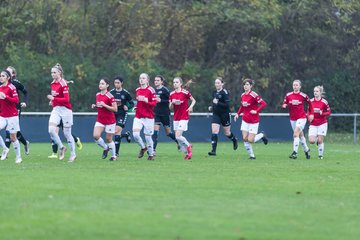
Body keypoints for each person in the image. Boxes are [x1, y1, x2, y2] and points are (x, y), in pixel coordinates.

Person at [47, 63, 76, 162]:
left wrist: (54, 98)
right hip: (56, 110)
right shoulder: (52, 83)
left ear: (59, 73)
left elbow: (66, 100)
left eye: (54, 72)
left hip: (65, 110)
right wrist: (52, 101)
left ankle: (73, 154)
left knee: (67, 134)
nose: (52, 74)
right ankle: (62, 147)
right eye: (51, 72)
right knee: (51, 130)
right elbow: (55, 97)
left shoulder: (63, 83)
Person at [234, 78, 268, 160]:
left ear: (251, 86)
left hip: (254, 121)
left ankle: (262, 135)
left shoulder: (254, 95)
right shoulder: (242, 95)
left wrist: (256, 111)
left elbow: (263, 104)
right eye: (244, 84)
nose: (245, 86)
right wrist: (237, 114)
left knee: (250, 140)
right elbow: (242, 106)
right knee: (245, 139)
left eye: (247, 84)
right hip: (245, 120)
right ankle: (252, 156)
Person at [282, 79, 313, 159]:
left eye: (296, 85)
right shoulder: (288, 95)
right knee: (300, 135)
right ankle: (307, 150)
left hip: (301, 118)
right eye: (294, 85)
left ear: (300, 86)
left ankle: (295, 153)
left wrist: (311, 114)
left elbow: (310, 104)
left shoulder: (303, 95)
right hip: (293, 119)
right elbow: (284, 103)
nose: (295, 86)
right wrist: (284, 105)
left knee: (296, 133)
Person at [208, 77, 238, 156]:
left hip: (225, 115)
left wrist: (217, 103)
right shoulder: (214, 92)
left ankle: (234, 140)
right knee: (214, 131)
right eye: (216, 83)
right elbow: (214, 103)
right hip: (216, 114)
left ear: (222, 84)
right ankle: (213, 151)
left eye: (218, 83)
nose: (217, 84)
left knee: (227, 133)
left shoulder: (225, 92)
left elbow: (227, 105)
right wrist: (212, 107)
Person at [169, 77, 196, 160]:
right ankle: (187, 152)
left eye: (177, 82)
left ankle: (188, 146)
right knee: (178, 137)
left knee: (177, 136)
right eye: (174, 82)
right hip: (176, 117)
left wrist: (190, 107)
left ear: (180, 83)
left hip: (184, 116)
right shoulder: (171, 94)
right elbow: (170, 107)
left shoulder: (185, 93)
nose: (175, 84)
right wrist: (172, 103)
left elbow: (194, 100)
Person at [5, 66, 30, 155]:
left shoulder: (16, 83)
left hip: (15, 109)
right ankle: (25, 142)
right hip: (5, 109)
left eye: (9, 72)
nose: (6, 73)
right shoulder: (2, 83)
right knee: (14, 131)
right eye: (6, 71)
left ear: (13, 74)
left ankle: (5, 151)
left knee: (10, 130)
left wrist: (25, 102)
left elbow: (26, 92)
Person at [92, 78, 118, 161]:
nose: (100, 85)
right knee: (96, 136)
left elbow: (115, 109)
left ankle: (114, 156)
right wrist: (95, 106)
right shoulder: (97, 95)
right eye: (100, 83)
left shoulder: (110, 96)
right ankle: (106, 148)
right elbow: (100, 106)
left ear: (107, 85)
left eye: (102, 83)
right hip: (100, 120)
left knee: (108, 138)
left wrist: (105, 105)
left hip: (110, 121)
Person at [133, 73, 157, 160]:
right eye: (140, 78)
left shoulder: (151, 90)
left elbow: (154, 103)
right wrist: (136, 107)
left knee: (148, 137)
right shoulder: (137, 90)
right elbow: (139, 102)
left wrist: (147, 101)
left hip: (149, 117)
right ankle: (143, 148)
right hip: (138, 116)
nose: (141, 80)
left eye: (143, 78)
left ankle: (151, 155)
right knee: (135, 134)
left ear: (147, 80)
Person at [153, 75, 179, 154]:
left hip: (165, 114)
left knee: (168, 133)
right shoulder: (153, 90)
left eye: (158, 80)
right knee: (155, 132)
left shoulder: (165, 90)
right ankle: (153, 150)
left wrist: (161, 100)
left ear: (161, 82)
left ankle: (178, 141)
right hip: (156, 113)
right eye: (155, 80)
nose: (156, 81)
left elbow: (169, 100)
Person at [0, 69, 22, 163]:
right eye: (0, 76)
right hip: (2, 115)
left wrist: (6, 97)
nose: (1, 77)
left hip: (12, 116)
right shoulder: (0, 88)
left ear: (8, 78)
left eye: (3, 76)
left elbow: (16, 100)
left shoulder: (11, 87)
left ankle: (18, 157)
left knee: (13, 137)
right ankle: (5, 149)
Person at [109, 76, 134, 157]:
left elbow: (132, 103)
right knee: (115, 133)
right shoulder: (111, 92)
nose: (116, 84)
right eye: (115, 83)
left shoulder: (125, 93)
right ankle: (125, 135)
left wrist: (128, 107)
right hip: (113, 114)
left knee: (116, 131)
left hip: (122, 114)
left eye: (118, 83)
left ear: (121, 83)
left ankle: (116, 153)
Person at [308, 86, 331, 159]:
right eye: (314, 91)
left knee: (320, 140)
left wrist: (322, 113)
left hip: (322, 123)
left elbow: (329, 112)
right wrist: (309, 116)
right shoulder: (310, 101)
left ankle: (320, 156)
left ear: (320, 92)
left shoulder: (324, 102)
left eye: (317, 91)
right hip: (313, 124)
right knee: (311, 141)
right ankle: (317, 141)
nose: (315, 92)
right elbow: (308, 111)